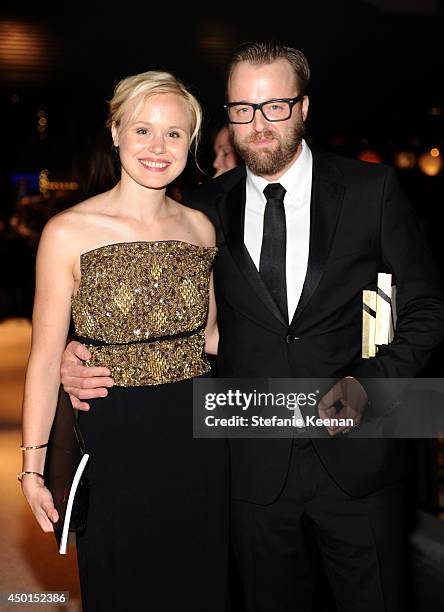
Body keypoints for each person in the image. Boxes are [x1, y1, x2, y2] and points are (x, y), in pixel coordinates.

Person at [60, 42, 444, 612]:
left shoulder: (372, 191)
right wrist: (81, 351)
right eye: (242, 109)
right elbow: (164, 316)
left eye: (275, 106)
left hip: (359, 464)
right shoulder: (202, 211)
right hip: (246, 469)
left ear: (305, 107)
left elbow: (426, 308)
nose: (259, 124)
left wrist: (371, 384)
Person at [19, 70, 229, 611]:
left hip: (198, 439)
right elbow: (44, 359)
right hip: (114, 441)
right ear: (115, 133)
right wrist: (32, 467)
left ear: (192, 143)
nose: (158, 148)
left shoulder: (200, 230)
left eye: (175, 134)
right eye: (143, 130)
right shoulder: (68, 231)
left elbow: (211, 338)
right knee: (122, 584)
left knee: (201, 586)